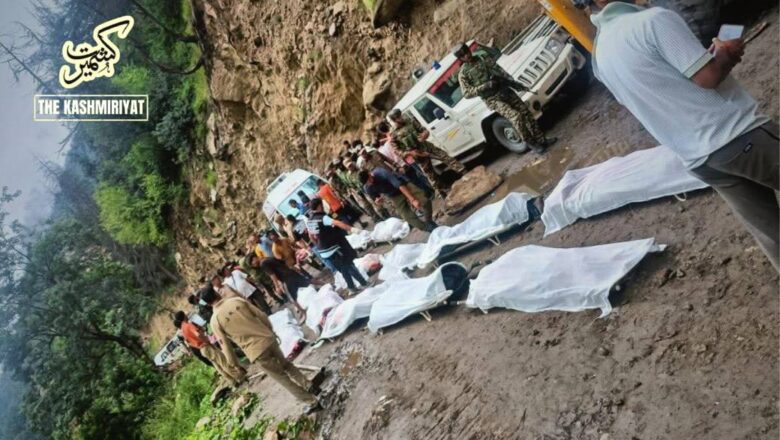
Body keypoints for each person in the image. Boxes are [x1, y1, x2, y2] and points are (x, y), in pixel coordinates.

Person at [586, 0, 778, 270]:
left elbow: (662, 89)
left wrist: (708, 58)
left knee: (773, 233)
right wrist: (727, 53)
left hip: (701, 161)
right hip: (736, 135)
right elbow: (709, 76)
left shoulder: (600, 56)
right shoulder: (653, 21)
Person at [202, 286, 322, 414]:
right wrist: (270, 331)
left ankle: (311, 402)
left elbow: (225, 346)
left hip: (256, 351)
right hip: (269, 339)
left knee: (282, 378)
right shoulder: (236, 301)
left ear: (208, 304)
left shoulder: (215, 321)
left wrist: (234, 364)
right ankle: (309, 385)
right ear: (216, 293)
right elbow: (262, 316)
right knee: (287, 365)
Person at [455, 43, 556, 154]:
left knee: (526, 114)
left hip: (504, 89)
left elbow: (499, 70)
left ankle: (541, 140)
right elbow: (466, 93)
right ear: (460, 58)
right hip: (492, 99)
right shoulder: (463, 74)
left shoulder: (482, 58)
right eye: (463, 56)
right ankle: (531, 143)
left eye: (466, 52)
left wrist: (512, 82)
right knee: (516, 117)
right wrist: (485, 86)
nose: (466, 56)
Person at [387, 108, 466, 198]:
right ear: (394, 120)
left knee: (446, 157)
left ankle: (463, 171)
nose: (401, 117)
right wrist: (409, 153)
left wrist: (425, 134)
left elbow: (423, 130)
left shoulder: (410, 121)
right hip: (417, 153)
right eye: (398, 117)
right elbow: (397, 150)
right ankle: (441, 192)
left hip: (427, 146)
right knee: (430, 173)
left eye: (400, 115)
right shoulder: (393, 133)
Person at [305, 198, 368, 293]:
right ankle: (361, 284)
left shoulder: (310, 221)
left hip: (323, 251)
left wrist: (319, 245)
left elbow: (311, 236)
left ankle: (354, 287)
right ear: (319, 206)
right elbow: (337, 223)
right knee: (348, 266)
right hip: (332, 249)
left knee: (344, 268)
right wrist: (352, 229)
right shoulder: (322, 217)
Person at [174, 310, 247, 387]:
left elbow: (189, 343)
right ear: (183, 316)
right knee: (223, 362)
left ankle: (232, 382)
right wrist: (206, 340)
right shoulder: (188, 325)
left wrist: (198, 345)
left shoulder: (183, 331)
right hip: (206, 346)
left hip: (202, 349)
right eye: (185, 314)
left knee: (218, 366)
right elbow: (198, 334)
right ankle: (239, 376)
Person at [359, 167, 436, 232]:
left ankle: (429, 221)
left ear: (370, 174)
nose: (369, 183)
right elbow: (376, 198)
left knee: (425, 200)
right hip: (393, 195)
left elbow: (399, 185)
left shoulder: (381, 173)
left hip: (404, 186)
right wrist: (378, 201)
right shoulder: (367, 188)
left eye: (369, 180)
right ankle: (427, 228)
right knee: (406, 215)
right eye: (367, 183)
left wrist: (413, 200)